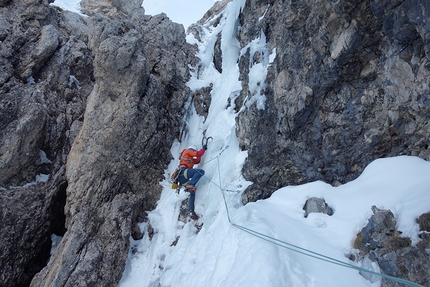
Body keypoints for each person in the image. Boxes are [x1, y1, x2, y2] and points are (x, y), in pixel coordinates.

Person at [176, 144, 207, 220]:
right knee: (200, 172)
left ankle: (191, 211)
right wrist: (204, 149)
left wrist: (200, 153)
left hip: (182, 179)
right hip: (184, 172)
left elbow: (198, 160)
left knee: (192, 192)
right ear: (192, 149)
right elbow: (198, 153)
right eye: (194, 151)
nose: (194, 152)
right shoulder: (187, 151)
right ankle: (191, 184)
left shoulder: (189, 158)